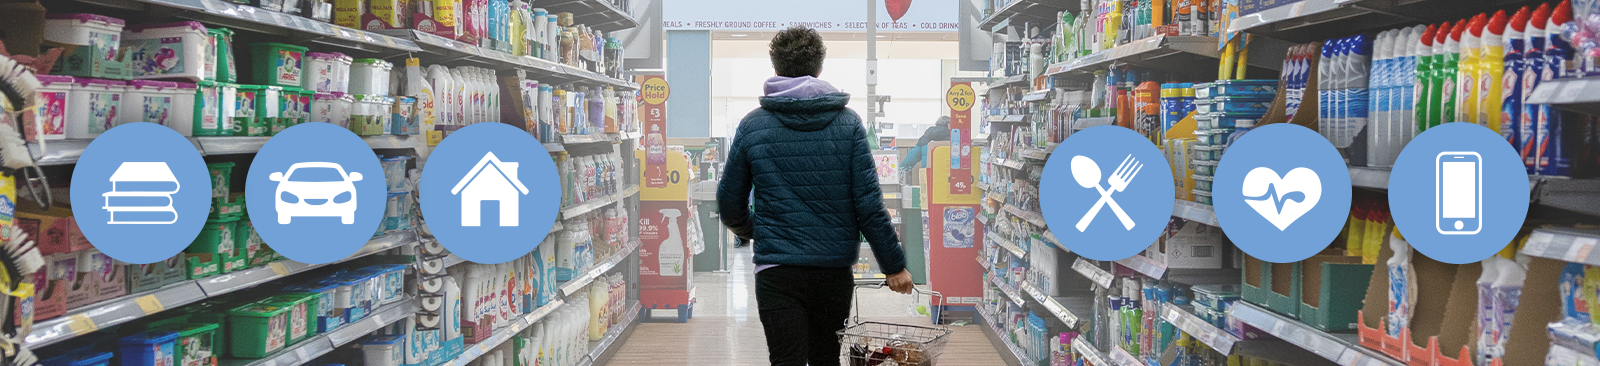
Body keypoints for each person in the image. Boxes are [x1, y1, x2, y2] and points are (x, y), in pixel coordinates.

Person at [717, 26, 914, 366]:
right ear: (820, 66)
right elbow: (868, 205)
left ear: (775, 66)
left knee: (786, 359)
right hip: (832, 270)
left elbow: (729, 204)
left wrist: (758, 230)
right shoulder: (849, 125)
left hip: (777, 271)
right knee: (825, 357)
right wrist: (893, 265)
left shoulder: (753, 125)